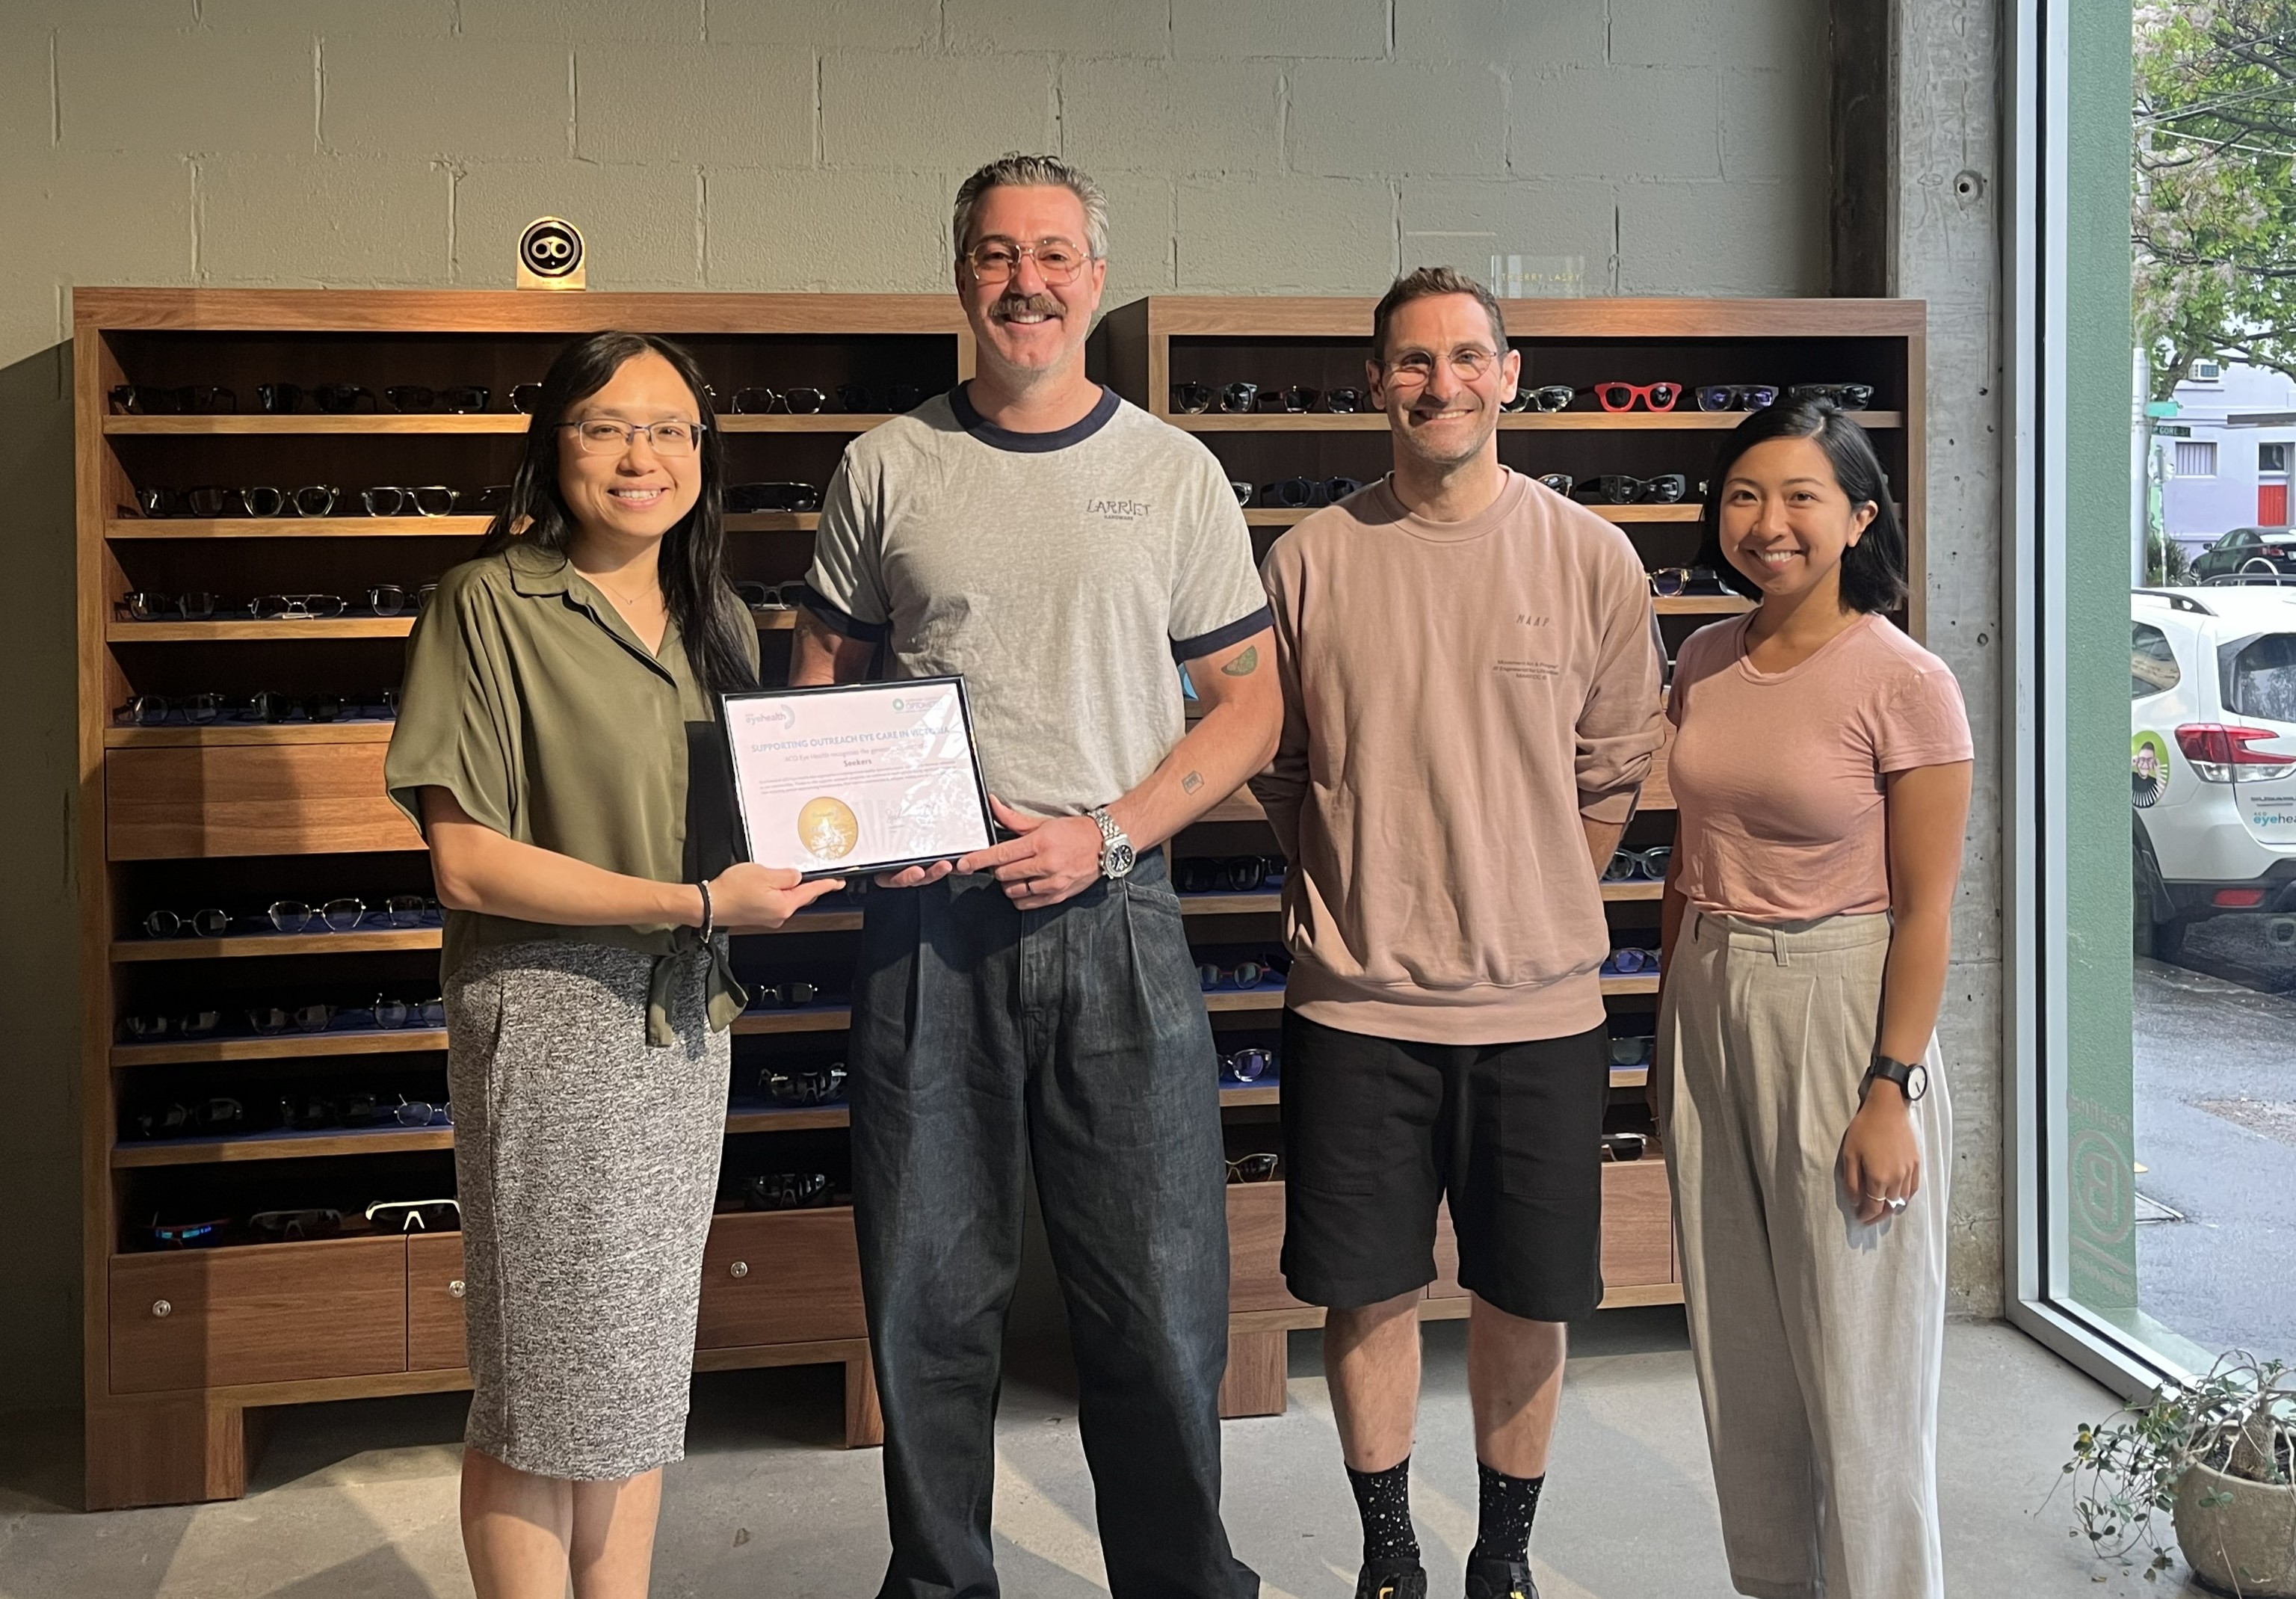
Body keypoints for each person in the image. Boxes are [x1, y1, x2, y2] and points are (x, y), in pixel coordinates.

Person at [791, 154, 1279, 1599]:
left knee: (1158, 1302)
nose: (1027, 282)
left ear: (1094, 277)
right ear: (961, 274)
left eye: (1055, 255)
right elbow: (823, 684)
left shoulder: (1172, 472)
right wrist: (877, 824)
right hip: (927, 932)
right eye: (999, 255)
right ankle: (940, 1583)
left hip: (1116, 913)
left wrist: (1112, 831)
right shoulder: (885, 468)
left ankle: (1182, 1582)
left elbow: (1251, 708)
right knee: (929, 1302)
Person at [385, 331, 843, 1599]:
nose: (642, 455)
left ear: (704, 455)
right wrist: (697, 899)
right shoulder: (485, 606)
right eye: (606, 427)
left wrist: (864, 847)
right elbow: (468, 865)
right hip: (551, 1025)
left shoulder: (721, 622)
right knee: (540, 1390)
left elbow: (753, 829)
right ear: (553, 445)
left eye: (672, 430)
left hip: (683, 1028)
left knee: (637, 1376)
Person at [1251, 266, 1667, 1599]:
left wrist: (1533, 894)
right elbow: (1281, 770)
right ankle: (1389, 1555)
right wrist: (1374, 888)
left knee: (1526, 1294)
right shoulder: (1307, 560)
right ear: (1376, 381)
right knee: (1362, 1292)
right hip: (1355, 1005)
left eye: (1467, 358)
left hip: (1541, 1009)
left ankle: (1504, 1555)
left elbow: (1611, 774)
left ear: (1509, 371)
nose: (1442, 384)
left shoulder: (1589, 555)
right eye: (1414, 362)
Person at [1656, 396, 1972, 1599]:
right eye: (1745, 495)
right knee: (1743, 1356)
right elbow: (1690, 858)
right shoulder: (1703, 660)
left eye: (1801, 497)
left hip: (1842, 1001)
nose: (1769, 523)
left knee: (1864, 1365)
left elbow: (1928, 908)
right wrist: (1665, 1036)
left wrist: (1891, 1087)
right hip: (1709, 995)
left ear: (1859, 517)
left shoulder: (1905, 678)